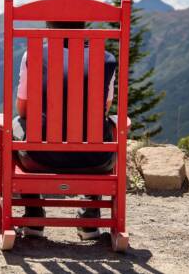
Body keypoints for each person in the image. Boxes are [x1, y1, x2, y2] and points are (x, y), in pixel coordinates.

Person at [13, 20, 117, 240]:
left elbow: (22, 109)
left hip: (39, 156)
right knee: (99, 126)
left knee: (16, 123)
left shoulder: (33, 55)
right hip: (95, 159)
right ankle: (89, 217)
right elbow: (105, 109)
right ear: (84, 27)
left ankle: (33, 214)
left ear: (49, 27)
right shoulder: (107, 59)